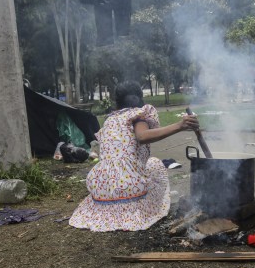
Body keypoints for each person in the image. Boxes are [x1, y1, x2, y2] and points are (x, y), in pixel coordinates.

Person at [69, 81, 199, 232]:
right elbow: (142, 136)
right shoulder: (137, 116)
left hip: (102, 190)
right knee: (155, 163)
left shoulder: (110, 120)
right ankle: (139, 206)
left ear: (117, 100)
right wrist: (179, 126)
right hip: (128, 189)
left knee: (140, 168)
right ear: (139, 98)